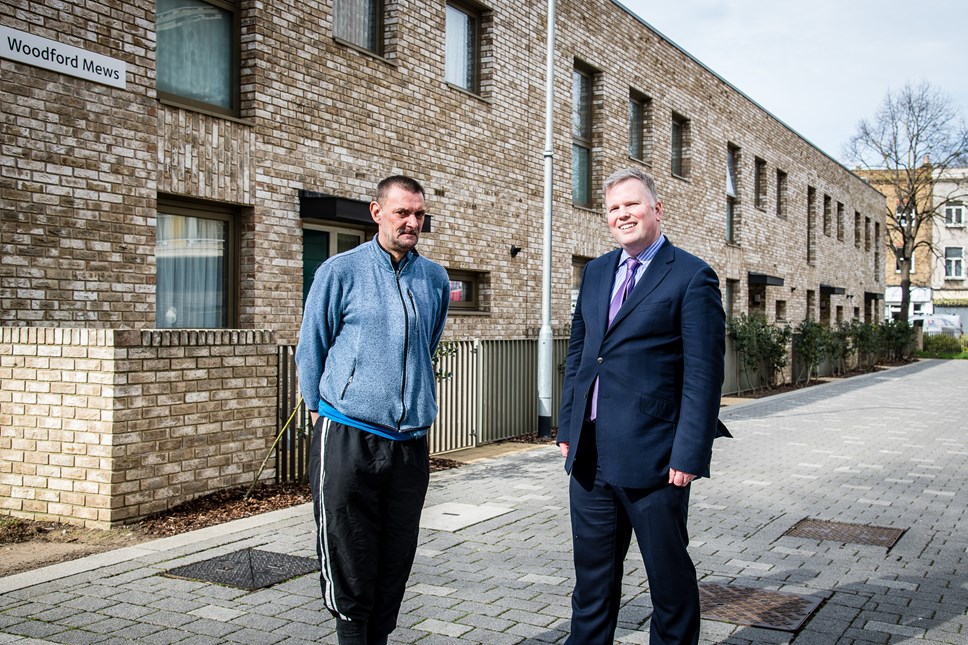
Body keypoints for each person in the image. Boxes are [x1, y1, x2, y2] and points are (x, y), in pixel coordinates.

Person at [557, 167, 729, 644]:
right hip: (590, 456)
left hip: (655, 459)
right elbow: (580, 351)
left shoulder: (693, 276)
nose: (622, 214)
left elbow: (703, 374)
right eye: (613, 208)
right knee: (591, 583)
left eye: (631, 204)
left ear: (656, 209)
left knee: (668, 583)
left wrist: (689, 453)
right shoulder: (595, 271)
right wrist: (569, 426)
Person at [296, 175, 450, 645]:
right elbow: (311, 350)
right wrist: (324, 411)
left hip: (409, 444)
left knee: (395, 553)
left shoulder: (435, 278)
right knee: (349, 552)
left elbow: (429, 342)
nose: (412, 222)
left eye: (419, 213)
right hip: (347, 434)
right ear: (376, 211)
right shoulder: (339, 272)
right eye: (402, 212)